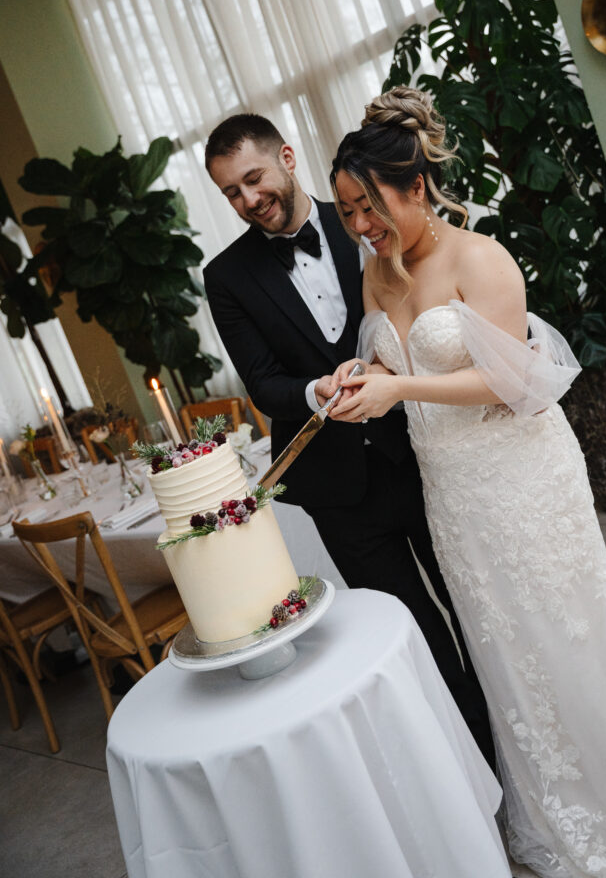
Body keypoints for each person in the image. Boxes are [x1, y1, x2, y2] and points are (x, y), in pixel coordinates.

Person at [328, 86, 606, 878]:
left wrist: (399, 390)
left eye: (368, 206)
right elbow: (392, 361)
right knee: (504, 644)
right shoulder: (375, 274)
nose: (359, 226)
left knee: (571, 628)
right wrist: (355, 379)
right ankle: (557, 807)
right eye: (347, 210)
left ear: (414, 186)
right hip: (452, 491)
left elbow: (514, 383)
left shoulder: (480, 258)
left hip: (522, 477)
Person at [202, 112, 495, 767]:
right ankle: (472, 768)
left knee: (473, 607)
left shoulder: (368, 215)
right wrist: (318, 393)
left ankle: (516, 741)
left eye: (253, 178)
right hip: (338, 492)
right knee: (411, 633)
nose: (248, 199)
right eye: (230, 192)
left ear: (285, 157)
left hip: (425, 455)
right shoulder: (225, 277)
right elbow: (264, 384)